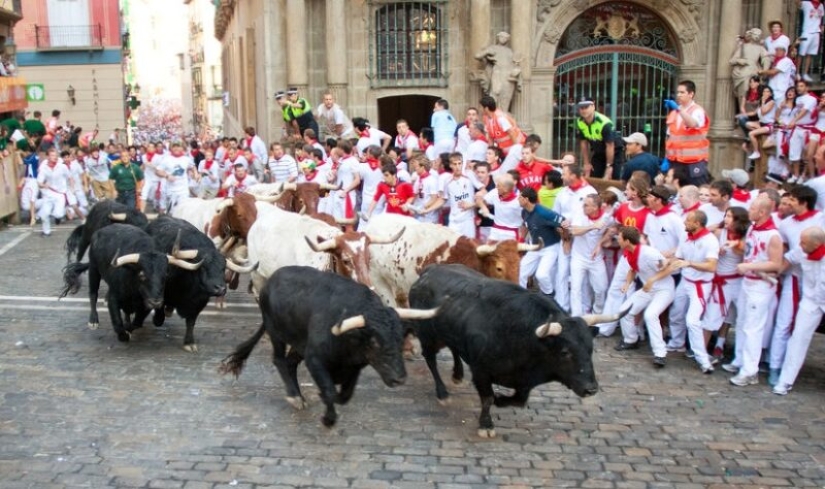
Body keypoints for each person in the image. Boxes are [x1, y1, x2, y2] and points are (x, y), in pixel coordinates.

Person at [723, 198, 783, 387]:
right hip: (747, 282)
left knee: (753, 328)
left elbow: (776, 263)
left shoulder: (773, 235)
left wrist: (750, 266)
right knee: (741, 323)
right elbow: (749, 250)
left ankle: (750, 371)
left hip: (761, 285)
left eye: (753, 208)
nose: (750, 210)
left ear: (763, 212)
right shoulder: (752, 228)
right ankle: (739, 360)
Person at [767, 185, 823, 386]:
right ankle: (780, 373)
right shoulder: (787, 226)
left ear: (803, 201)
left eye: (792, 199)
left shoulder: (821, 219)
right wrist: (772, 272)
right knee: (791, 329)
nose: (787, 202)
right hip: (801, 286)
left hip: (819, 289)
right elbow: (789, 255)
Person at [771, 226, 825, 395]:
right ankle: (785, 380)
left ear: (817, 244)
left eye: (804, 242)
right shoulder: (801, 250)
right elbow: (789, 258)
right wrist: (775, 273)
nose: (800, 245)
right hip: (810, 300)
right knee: (798, 337)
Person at [665, 210, 720, 374]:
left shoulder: (710, 240)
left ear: (697, 224)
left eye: (688, 221)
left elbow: (711, 266)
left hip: (700, 285)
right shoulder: (686, 237)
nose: (684, 223)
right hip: (686, 281)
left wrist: (689, 263)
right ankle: (677, 343)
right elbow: (679, 258)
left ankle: (702, 359)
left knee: (692, 320)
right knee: (675, 312)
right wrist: (666, 262)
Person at [614, 226, 676, 367]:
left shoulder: (649, 253)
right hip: (648, 289)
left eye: (619, 237)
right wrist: (627, 283)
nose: (617, 239)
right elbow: (632, 269)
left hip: (664, 290)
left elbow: (668, 267)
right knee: (624, 311)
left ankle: (660, 353)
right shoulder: (629, 252)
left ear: (627, 241)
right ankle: (631, 340)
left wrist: (652, 280)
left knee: (650, 315)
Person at [517, 186, 568, 296]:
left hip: (550, 247)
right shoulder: (524, 212)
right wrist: (521, 241)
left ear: (526, 200)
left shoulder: (545, 213)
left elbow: (564, 222)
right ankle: (520, 297)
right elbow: (525, 225)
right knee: (521, 272)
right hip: (534, 247)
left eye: (520, 197)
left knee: (541, 275)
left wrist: (565, 239)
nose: (518, 199)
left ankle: (549, 294)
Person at [569, 193, 610, 316]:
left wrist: (601, 243)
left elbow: (612, 230)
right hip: (578, 258)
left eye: (586, 205)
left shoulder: (607, 217)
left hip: (596, 259)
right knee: (575, 288)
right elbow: (574, 231)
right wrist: (592, 226)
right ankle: (577, 317)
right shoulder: (580, 214)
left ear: (595, 207)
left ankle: (597, 314)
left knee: (601, 288)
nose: (583, 207)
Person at [664, 80, 711, 186]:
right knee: (676, 189)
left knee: (696, 189)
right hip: (676, 161)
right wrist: (666, 158)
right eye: (677, 92)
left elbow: (692, 124)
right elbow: (670, 137)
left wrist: (678, 110)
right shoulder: (673, 113)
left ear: (691, 94)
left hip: (694, 161)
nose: (678, 95)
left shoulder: (697, 110)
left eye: (682, 92)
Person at [575, 96, 624, 179]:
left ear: (593, 106)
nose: (583, 110)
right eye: (581, 108)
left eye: (586, 107)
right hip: (598, 153)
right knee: (593, 176)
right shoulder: (579, 122)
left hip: (614, 153)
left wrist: (609, 166)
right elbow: (583, 143)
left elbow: (610, 146)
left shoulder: (604, 123)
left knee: (613, 177)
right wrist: (586, 163)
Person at [474, 31, 521, 114]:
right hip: (498, 74)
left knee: (506, 97)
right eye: (502, 37)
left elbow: (514, 63)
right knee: (495, 95)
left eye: (506, 38)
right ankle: (494, 115)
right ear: (498, 38)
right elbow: (477, 56)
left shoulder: (509, 51)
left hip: (508, 76)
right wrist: (486, 52)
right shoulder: (493, 48)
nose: (504, 39)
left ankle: (503, 115)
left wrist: (516, 70)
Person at [479, 95, 525, 173]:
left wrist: (515, 150)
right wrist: (490, 153)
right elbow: (490, 137)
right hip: (504, 151)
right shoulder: (486, 117)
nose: (479, 109)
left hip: (515, 149)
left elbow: (512, 133)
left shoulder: (500, 118)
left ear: (486, 108)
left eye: (480, 107)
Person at [786, 79, 818, 183]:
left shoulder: (811, 99)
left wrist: (793, 121)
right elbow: (795, 112)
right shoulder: (798, 99)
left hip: (808, 130)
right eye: (798, 86)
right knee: (794, 153)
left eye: (801, 86)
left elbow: (804, 111)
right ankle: (795, 175)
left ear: (807, 88)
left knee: (807, 155)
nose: (799, 88)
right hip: (797, 129)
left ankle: (804, 175)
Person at [36, 149, 73, 236]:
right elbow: (39, 182)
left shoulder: (62, 166)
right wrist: (44, 185)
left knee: (58, 214)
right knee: (44, 214)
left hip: (60, 194)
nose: (55, 157)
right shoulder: (44, 168)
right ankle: (46, 232)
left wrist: (72, 188)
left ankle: (62, 214)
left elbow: (70, 177)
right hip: (48, 194)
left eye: (56, 155)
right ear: (48, 157)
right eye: (52, 155)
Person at [477, 172, 523, 242]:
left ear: (506, 189)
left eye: (498, 186)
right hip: (495, 231)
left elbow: (526, 222)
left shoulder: (519, 202)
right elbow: (479, 200)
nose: (496, 187)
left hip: (511, 234)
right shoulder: (495, 192)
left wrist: (521, 239)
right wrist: (484, 207)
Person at [729, 28, 769, 103]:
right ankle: (742, 111)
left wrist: (764, 70)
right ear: (751, 35)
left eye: (759, 35)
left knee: (754, 92)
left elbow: (766, 58)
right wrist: (742, 61)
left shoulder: (760, 48)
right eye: (755, 34)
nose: (757, 36)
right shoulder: (743, 47)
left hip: (754, 72)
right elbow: (732, 60)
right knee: (743, 92)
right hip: (743, 72)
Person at [155, 142, 193, 212]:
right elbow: (157, 171)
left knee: (183, 211)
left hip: (183, 191)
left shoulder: (186, 159)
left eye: (178, 146)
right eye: (174, 146)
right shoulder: (166, 159)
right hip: (171, 192)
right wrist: (167, 175)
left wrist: (195, 174)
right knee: (172, 213)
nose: (176, 148)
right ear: (171, 148)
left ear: (182, 148)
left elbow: (192, 167)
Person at [797, 0, 825, 82]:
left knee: (810, 54)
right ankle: (797, 72)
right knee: (801, 53)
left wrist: (822, 26)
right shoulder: (806, 3)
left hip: (816, 32)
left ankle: (805, 73)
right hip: (806, 32)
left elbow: (821, 18)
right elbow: (797, 3)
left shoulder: (821, 6)